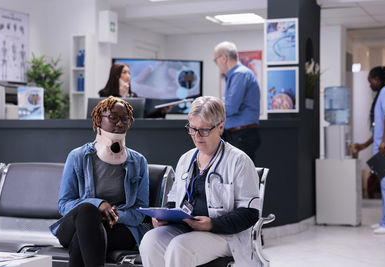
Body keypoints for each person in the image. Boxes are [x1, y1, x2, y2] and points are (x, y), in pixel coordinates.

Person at [139, 96, 261, 267]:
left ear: (220, 127)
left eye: (203, 130)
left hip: (225, 235)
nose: (196, 136)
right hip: (186, 229)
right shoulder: (186, 159)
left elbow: (250, 214)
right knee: (150, 240)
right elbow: (174, 200)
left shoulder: (239, 161)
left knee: (179, 247)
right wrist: (164, 216)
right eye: (192, 129)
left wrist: (212, 224)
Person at [49, 96, 149, 267]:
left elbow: (140, 213)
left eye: (125, 119)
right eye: (113, 118)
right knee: (88, 212)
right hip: (75, 223)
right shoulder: (78, 157)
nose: (120, 123)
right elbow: (64, 205)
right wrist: (98, 205)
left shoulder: (138, 161)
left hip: (118, 228)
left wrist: (113, 215)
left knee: (81, 238)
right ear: (98, 121)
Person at [351, 66, 385, 234]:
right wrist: (364, 145)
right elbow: (378, 128)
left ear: (377, 79)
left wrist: (383, 142)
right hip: (382, 146)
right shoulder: (382, 94)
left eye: (371, 81)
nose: (370, 85)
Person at [213, 41, 261, 162]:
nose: (217, 64)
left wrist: (211, 109)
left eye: (215, 60)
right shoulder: (237, 75)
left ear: (223, 58)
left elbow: (230, 107)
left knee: (240, 177)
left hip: (241, 135)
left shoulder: (239, 74)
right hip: (239, 135)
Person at [99, 62, 172, 118]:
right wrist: (120, 96)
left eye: (129, 73)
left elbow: (144, 117)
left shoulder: (133, 95)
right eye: (124, 72)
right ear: (116, 75)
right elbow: (109, 116)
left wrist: (162, 111)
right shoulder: (104, 94)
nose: (128, 76)